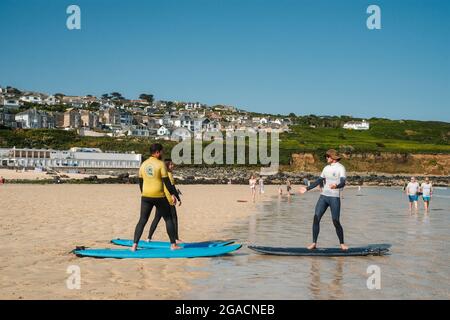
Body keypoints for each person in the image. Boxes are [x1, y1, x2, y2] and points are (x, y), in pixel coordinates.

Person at [132, 143, 181, 251]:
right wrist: (173, 194)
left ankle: (134, 245)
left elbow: (140, 182)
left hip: (145, 196)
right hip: (159, 196)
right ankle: (173, 245)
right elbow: (167, 182)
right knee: (168, 219)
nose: (163, 153)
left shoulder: (143, 165)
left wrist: (143, 193)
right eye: (162, 151)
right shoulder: (160, 164)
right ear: (157, 152)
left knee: (142, 220)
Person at [299, 149, 348, 251]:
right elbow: (319, 181)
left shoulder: (341, 168)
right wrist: (307, 188)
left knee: (335, 221)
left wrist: (337, 185)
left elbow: (343, 182)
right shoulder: (326, 168)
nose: (326, 158)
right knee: (316, 218)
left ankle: (342, 243)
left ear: (332, 158)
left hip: (334, 198)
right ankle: (314, 243)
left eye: (327, 156)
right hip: (323, 197)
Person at [147, 159, 182, 243]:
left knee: (157, 218)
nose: (172, 166)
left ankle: (148, 238)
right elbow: (172, 188)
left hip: (160, 199)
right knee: (174, 219)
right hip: (169, 199)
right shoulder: (169, 174)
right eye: (171, 165)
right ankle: (176, 238)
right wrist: (178, 198)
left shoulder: (161, 174)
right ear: (167, 166)